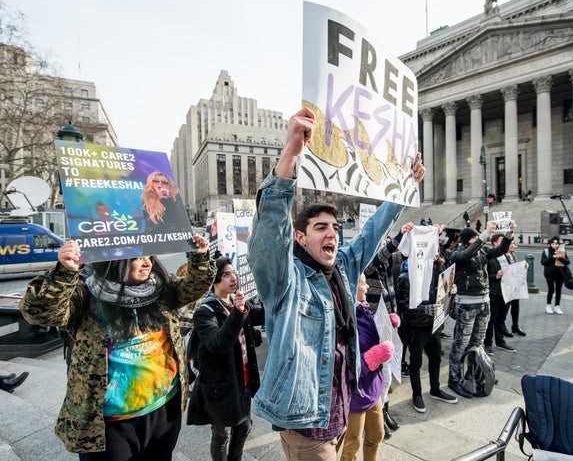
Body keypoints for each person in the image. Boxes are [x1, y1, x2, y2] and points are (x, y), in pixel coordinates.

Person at [246, 107, 426, 460]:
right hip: (307, 425)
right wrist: (291, 154)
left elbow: (374, 230)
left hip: (341, 415)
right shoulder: (287, 279)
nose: (332, 233)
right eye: (320, 228)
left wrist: (407, 185)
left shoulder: (343, 268)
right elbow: (269, 233)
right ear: (299, 237)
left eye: (335, 228)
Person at [19, 233, 215, 459]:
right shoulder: (86, 295)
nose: (147, 263)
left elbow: (195, 286)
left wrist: (199, 257)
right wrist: (64, 272)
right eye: (137, 258)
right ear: (116, 262)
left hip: (163, 409)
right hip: (110, 423)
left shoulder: (160, 289)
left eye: (149, 256)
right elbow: (38, 312)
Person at [187, 256, 264, 461]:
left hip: (244, 380)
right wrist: (238, 314)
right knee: (222, 435)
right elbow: (218, 343)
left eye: (234, 273)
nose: (233, 278)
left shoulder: (238, 301)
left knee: (244, 427)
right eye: (226, 275)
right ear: (214, 281)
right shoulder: (206, 312)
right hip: (220, 385)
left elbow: (260, 315)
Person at [446, 221, 512, 399]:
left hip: (484, 301)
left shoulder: (481, 250)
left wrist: (508, 235)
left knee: (477, 342)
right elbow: (467, 254)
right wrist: (484, 235)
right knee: (460, 344)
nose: (479, 241)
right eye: (475, 238)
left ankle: (475, 373)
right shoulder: (457, 253)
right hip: (466, 304)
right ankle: (454, 379)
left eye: (478, 238)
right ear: (467, 241)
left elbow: (499, 251)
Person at [363, 225, 412, 437]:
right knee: (380, 372)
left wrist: (421, 237)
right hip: (374, 325)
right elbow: (383, 254)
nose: (385, 245)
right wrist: (399, 235)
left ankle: (385, 410)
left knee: (389, 372)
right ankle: (377, 416)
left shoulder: (386, 264)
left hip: (388, 323)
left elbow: (404, 254)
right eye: (381, 241)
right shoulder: (369, 264)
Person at [340, 274, 395, 461]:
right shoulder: (343, 319)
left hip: (373, 388)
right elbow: (341, 365)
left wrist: (386, 325)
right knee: (350, 447)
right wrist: (373, 357)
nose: (367, 288)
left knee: (377, 434)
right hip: (355, 396)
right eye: (362, 284)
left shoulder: (362, 309)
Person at [397, 254, 458, 412]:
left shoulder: (435, 273)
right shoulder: (405, 278)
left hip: (433, 326)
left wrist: (451, 292)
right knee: (416, 362)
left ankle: (435, 389)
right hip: (415, 328)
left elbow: (442, 297)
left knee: (436, 358)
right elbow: (403, 309)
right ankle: (417, 394)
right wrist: (424, 309)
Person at [484, 233, 516, 354]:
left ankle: (500, 340)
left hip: (505, 292)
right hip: (494, 292)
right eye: (502, 241)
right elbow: (484, 275)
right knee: (491, 319)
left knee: (501, 318)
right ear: (495, 243)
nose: (505, 244)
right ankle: (488, 343)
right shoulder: (490, 256)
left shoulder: (507, 256)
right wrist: (495, 276)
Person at [541, 237, 569, 314]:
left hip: (560, 273)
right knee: (551, 289)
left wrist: (560, 258)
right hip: (549, 274)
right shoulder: (546, 251)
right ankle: (548, 305)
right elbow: (543, 262)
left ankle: (557, 306)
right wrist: (552, 257)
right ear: (551, 244)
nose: (555, 245)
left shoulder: (562, 251)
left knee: (558, 290)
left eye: (556, 244)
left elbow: (567, 262)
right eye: (553, 244)